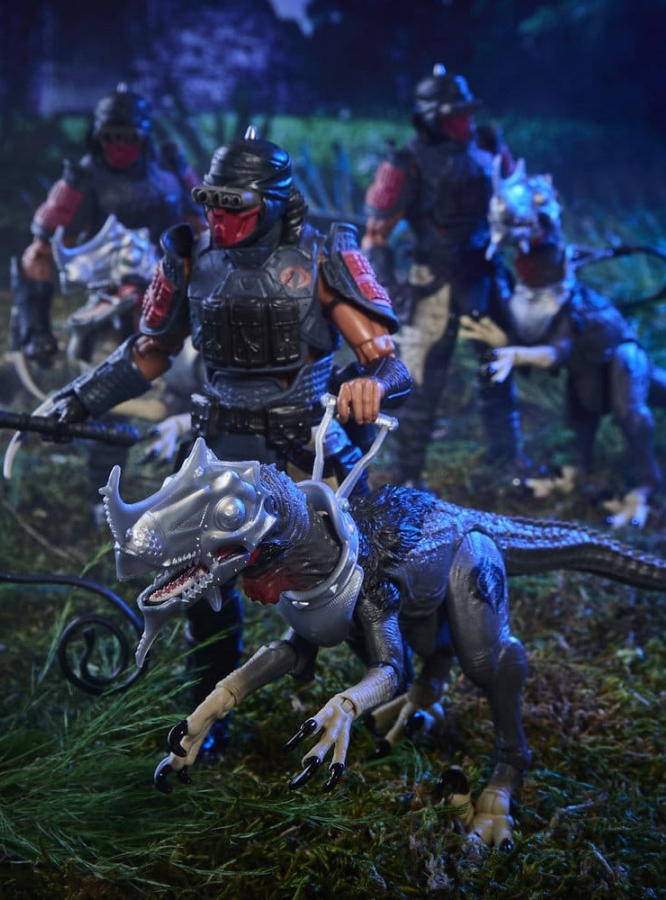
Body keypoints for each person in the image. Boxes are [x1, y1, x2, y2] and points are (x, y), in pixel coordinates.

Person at [46, 128, 411, 748]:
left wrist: (370, 384)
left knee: (355, 574)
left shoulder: (321, 259)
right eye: (211, 201)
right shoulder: (190, 256)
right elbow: (150, 352)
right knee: (200, 581)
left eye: (234, 204)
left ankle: (387, 686)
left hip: (305, 450)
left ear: (272, 202)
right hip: (220, 450)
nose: (219, 216)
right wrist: (80, 397)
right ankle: (205, 709)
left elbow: (388, 361)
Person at [362, 64, 524, 488]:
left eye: (468, 112)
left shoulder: (488, 146)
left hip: (484, 275)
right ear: (433, 118)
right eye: (455, 114)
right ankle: (408, 476)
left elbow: (519, 200)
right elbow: (376, 233)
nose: (465, 121)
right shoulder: (408, 161)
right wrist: (386, 290)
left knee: (499, 367)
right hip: (433, 282)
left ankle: (507, 462)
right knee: (419, 383)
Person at [10, 83, 205, 368]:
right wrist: (36, 331)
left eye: (128, 136)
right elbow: (39, 253)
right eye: (111, 136)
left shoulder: (170, 167)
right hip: (115, 289)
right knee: (113, 365)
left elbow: (202, 226)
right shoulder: (82, 179)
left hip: (176, 285)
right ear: (97, 136)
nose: (120, 145)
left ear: (143, 135)